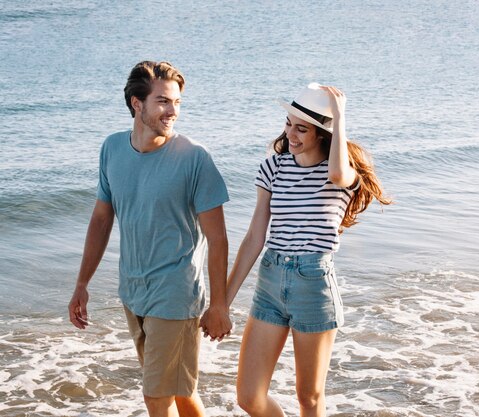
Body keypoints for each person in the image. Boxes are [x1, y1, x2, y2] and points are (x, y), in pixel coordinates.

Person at [68, 61, 232, 417]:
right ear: (136, 103)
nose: (173, 111)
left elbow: (217, 239)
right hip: (133, 292)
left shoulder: (194, 159)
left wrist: (219, 305)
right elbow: (100, 218)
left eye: (177, 102)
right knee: (179, 393)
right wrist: (82, 282)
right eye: (162, 102)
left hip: (175, 295)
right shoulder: (112, 149)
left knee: (156, 398)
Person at [226, 83, 391, 416]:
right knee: (248, 396)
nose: (291, 135)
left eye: (301, 128)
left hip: (313, 284)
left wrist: (340, 116)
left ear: (323, 134)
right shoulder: (273, 167)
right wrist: (222, 302)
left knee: (309, 398)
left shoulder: (343, 175)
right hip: (270, 282)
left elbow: (336, 170)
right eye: (288, 123)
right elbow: (254, 237)